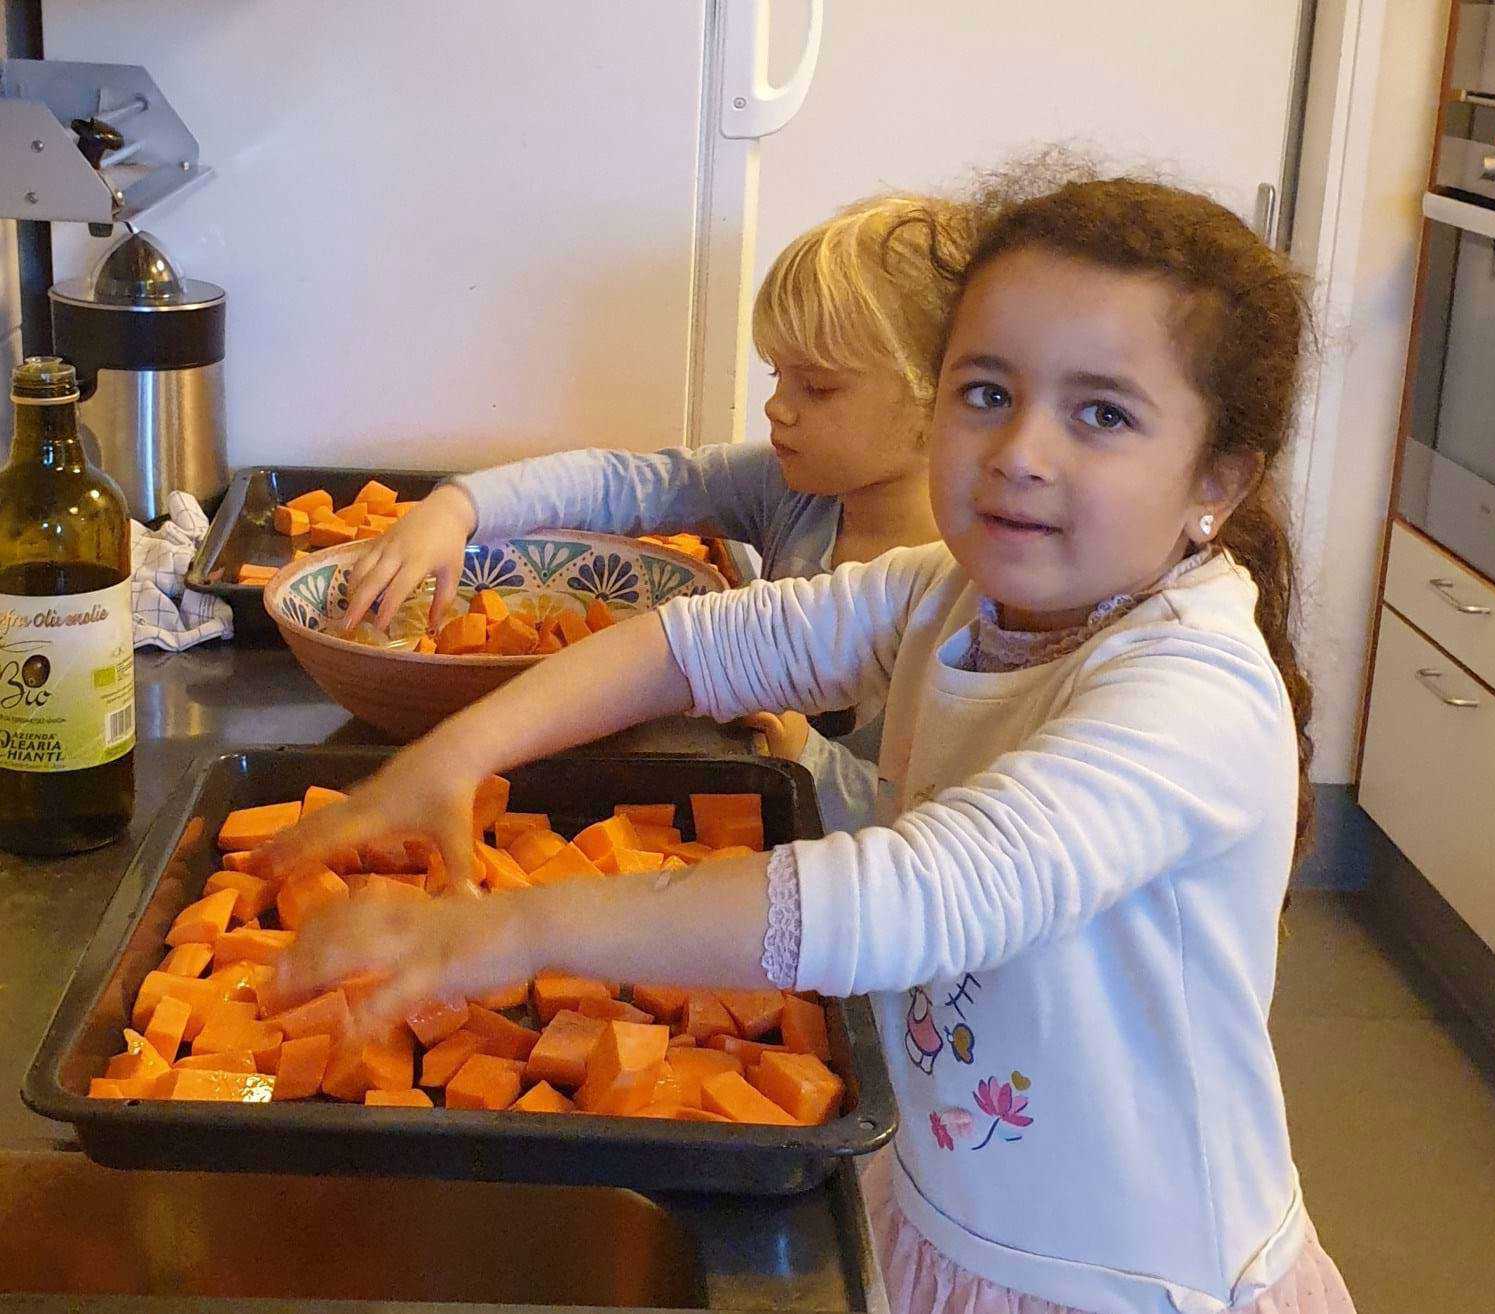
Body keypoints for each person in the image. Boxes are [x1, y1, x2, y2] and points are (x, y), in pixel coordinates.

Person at [264, 162, 1356, 1314]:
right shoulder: (950, 591)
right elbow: (699, 645)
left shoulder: (1191, 690)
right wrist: (457, 750)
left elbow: (917, 895)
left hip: (1140, 1278)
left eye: (1101, 414)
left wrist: (512, 928)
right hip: (947, 1213)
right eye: (986, 391)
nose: (1022, 450)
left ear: (1217, 483)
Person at [339, 194, 970, 831]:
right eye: (778, 376)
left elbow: (928, 830)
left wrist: (808, 760)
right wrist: (459, 507)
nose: (777, 407)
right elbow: (634, 484)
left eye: (818, 386)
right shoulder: (790, 488)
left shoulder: (973, 602)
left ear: (937, 399)